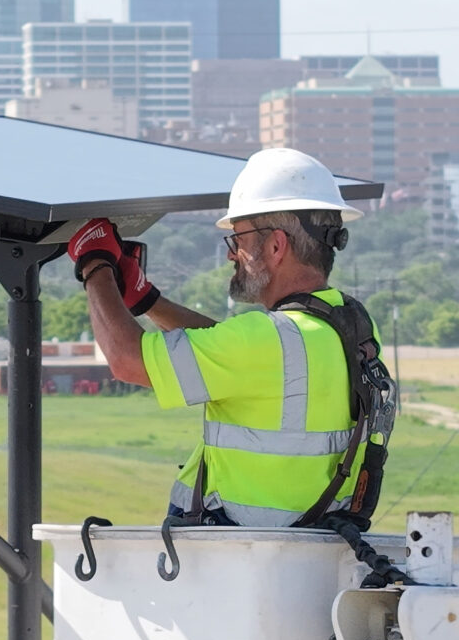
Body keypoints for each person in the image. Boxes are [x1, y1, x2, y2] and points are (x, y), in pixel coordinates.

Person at [72, 147, 395, 529]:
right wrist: (148, 301)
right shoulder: (350, 324)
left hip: (233, 558)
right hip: (305, 547)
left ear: (276, 246)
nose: (232, 256)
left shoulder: (265, 341)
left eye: (237, 240)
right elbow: (229, 350)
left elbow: (126, 360)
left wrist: (94, 262)